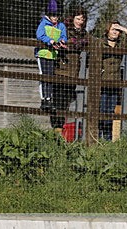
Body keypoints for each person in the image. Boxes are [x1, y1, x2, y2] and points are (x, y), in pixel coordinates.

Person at [52, 5, 89, 135]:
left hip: (73, 72)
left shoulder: (85, 35)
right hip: (61, 70)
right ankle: (56, 129)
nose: (80, 22)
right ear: (72, 18)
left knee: (66, 101)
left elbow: (91, 44)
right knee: (58, 101)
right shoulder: (64, 29)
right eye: (78, 19)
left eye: (82, 19)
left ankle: (60, 129)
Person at [99, 20, 127, 140]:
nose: (115, 32)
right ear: (107, 30)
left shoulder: (120, 45)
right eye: (113, 29)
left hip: (114, 83)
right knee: (101, 111)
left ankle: (107, 139)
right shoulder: (100, 43)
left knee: (110, 112)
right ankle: (96, 138)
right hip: (101, 83)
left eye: (118, 30)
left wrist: (126, 30)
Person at [35, 0, 67, 113]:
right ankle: (44, 100)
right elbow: (39, 35)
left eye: (57, 15)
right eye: (53, 15)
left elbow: (63, 35)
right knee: (43, 76)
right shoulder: (43, 23)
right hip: (43, 54)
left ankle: (49, 98)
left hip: (53, 55)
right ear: (48, 14)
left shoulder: (61, 25)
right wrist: (50, 41)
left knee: (50, 77)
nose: (55, 17)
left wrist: (63, 40)